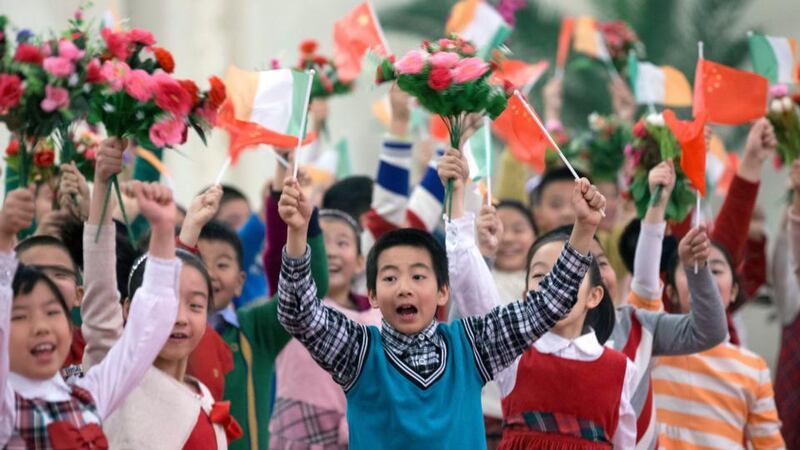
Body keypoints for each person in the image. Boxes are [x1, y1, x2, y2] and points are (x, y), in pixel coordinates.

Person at [276, 154, 606, 448]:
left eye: (418, 276)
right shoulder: (358, 351)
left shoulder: (472, 345)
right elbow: (298, 313)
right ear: (373, 295)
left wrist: (584, 229)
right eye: (390, 278)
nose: (404, 288)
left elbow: (547, 304)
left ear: (442, 292)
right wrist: (297, 234)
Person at [442, 149, 636, 449]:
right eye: (541, 277)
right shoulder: (514, 352)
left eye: (565, 275)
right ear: (526, 293)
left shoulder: (621, 369)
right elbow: (469, 283)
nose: (554, 288)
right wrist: (455, 195)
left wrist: (586, 227)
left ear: (595, 295)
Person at [79, 138, 239, 449]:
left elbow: (177, 274)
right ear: (128, 309)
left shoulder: (204, 394)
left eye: (195, 305)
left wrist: (180, 229)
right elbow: (100, 283)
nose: (178, 318)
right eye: (166, 304)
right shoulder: (116, 375)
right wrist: (101, 186)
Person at [0, 179, 179, 448]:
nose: (41, 327)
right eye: (21, 316)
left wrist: (164, 230)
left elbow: (143, 337)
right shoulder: (7, 406)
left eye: (52, 312)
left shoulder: (87, 394)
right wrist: (4, 239)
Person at [655, 240, 785, 449]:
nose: (704, 279)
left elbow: (770, 444)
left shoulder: (754, 367)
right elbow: (642, 292)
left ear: (733, 291)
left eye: (714, 270)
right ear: (670, 293)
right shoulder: (653, 348)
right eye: (693, 269)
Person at [269, 208, 381, 448]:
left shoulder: (380, 315)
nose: (330, 252)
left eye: (342, 243)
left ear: (361, 262)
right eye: (322, 244)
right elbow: (278, 247)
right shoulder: (294, 306)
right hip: (297, 437)